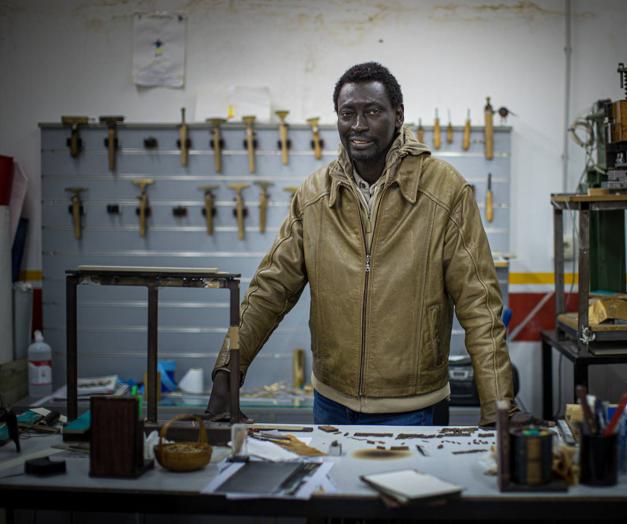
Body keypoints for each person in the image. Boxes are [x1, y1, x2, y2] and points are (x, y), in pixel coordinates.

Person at [207, 62, 515, 426]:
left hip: (413, 406)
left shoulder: (445, 191)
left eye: (372, 111)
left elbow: (479, 303)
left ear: (398, 115)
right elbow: (270, 289)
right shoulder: (314, 195)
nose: (358, 125)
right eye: (347, 113)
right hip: (331, 402)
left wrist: (498, 406)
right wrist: (228, 369)